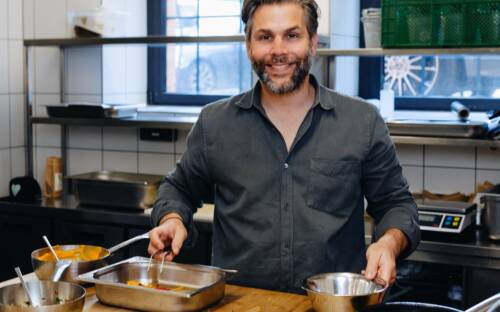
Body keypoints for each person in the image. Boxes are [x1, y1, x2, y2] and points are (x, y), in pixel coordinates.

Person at [148, 0, 420, 293]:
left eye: (292, 35)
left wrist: (389, 243)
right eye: (265, 37)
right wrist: (173, 219)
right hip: (240, 305)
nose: (278, 51)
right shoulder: (215, 123)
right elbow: (179, 189)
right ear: (249, 45)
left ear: (313, 42)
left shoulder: (361, 122)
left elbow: (397, 204)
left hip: (332, 306)